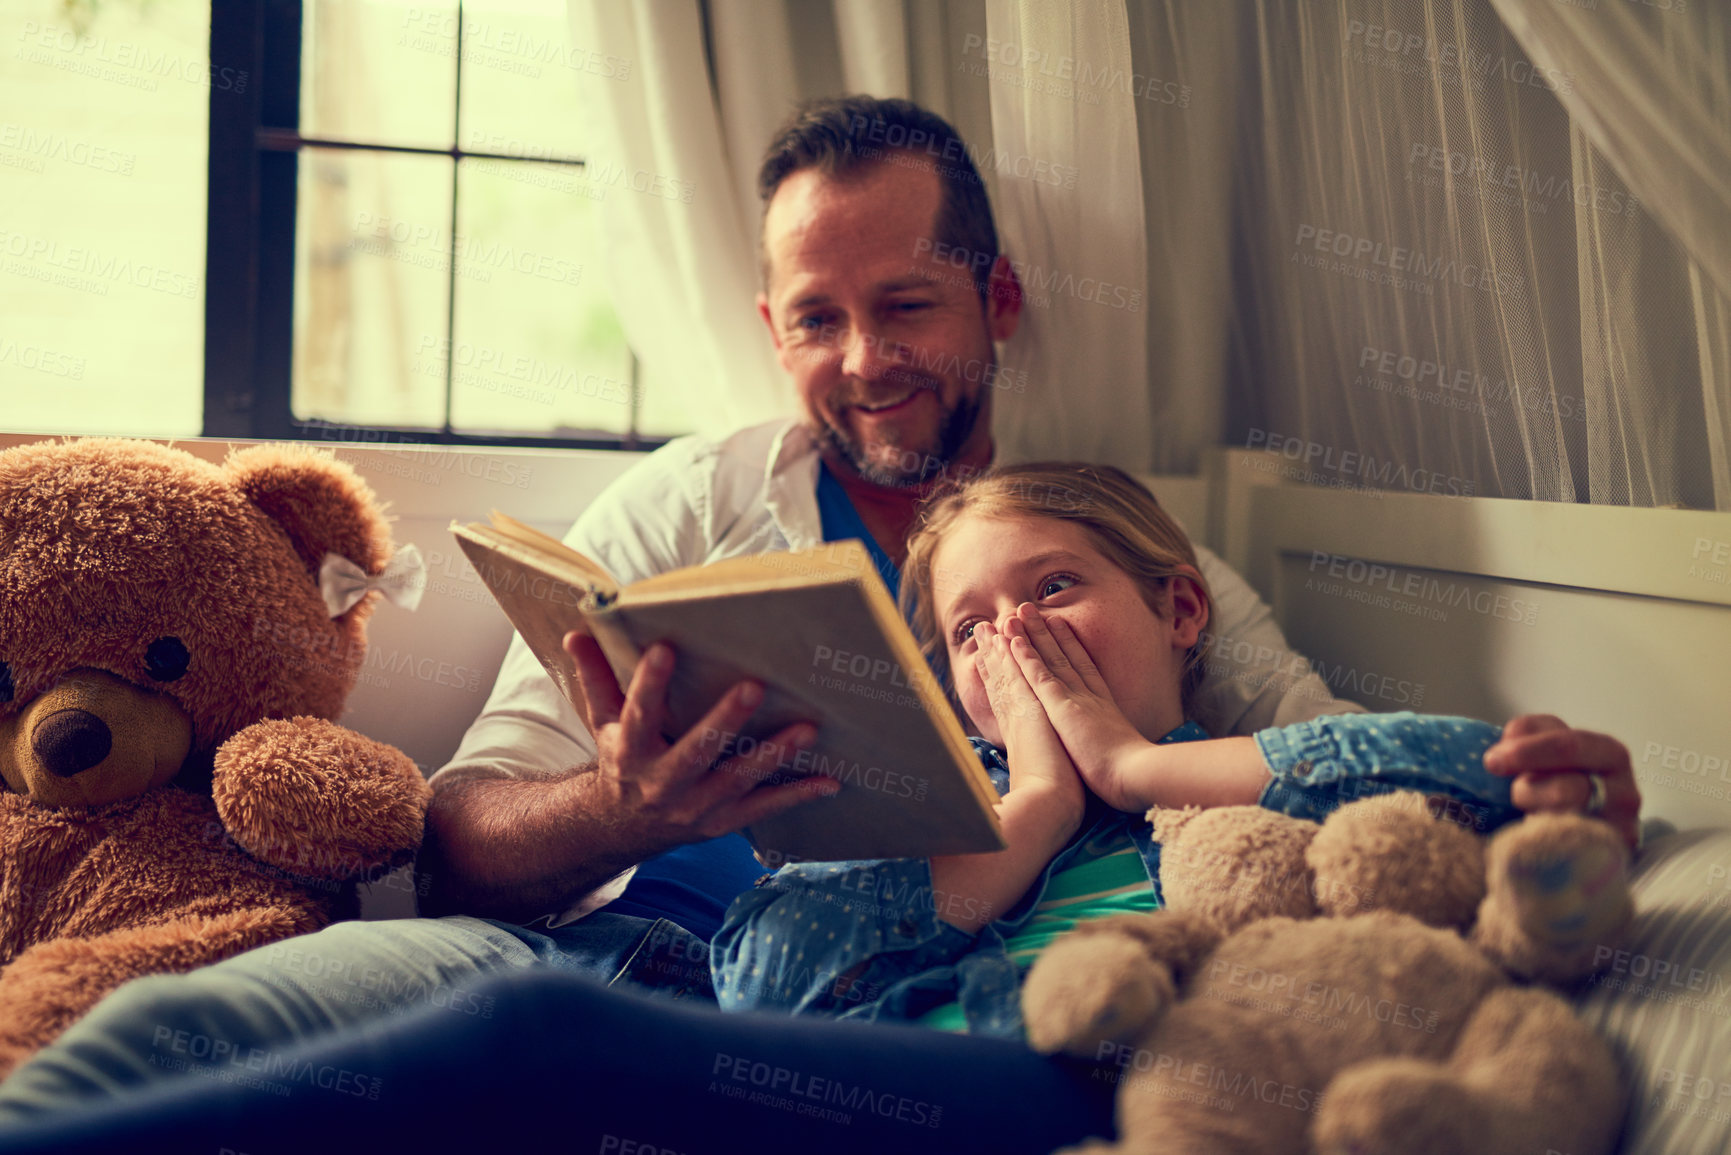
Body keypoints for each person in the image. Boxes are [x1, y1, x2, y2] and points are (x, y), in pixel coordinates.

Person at [0, 96, 1638, 1121]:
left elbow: (1315, 745)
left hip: (836, 1003)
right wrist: (622, 801)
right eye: (819, 319)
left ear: (994, 304)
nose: (866, 361)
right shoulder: (684, 502)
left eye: (908, 306)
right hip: (575, 933)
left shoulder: (1097, 550)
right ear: (772, 329)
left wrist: (1521, 774)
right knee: (190, 1030)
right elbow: (457, 831)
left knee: (525, 1046)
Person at [711, 463, 1598, 1035]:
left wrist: (1136, 769)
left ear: (1178, 611)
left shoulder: (1245, 773)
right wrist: (1034, 809)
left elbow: (1486, 777)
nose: (1014, 637)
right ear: (953, 687)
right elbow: (761, 990)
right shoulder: (921, 814)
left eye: (1053, 585)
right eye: (969, 629)